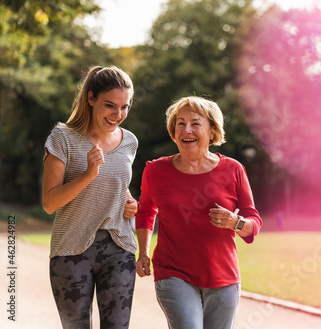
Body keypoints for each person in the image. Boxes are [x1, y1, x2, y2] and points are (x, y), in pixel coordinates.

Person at [135, 96, 263, 329]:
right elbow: (145, 212)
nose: (187, 130)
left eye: (195, 123)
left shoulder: (233, 169)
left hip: (223, 276)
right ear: (173, 132)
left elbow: (253, 221)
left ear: (212, 131)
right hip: (173, 273)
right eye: (180, 123)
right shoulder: (156, 171)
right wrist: (143, 252)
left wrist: (236, 222)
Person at [42, 65, 139, 328]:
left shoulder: (130, 141)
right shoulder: (62, 138)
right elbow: (50, 203)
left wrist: (130, 203)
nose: (118, 114)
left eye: (125, 107)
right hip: (70, 251)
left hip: (118, 247)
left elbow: (119, 183)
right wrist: (87, 174)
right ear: (91, 98)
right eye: (110, 105)